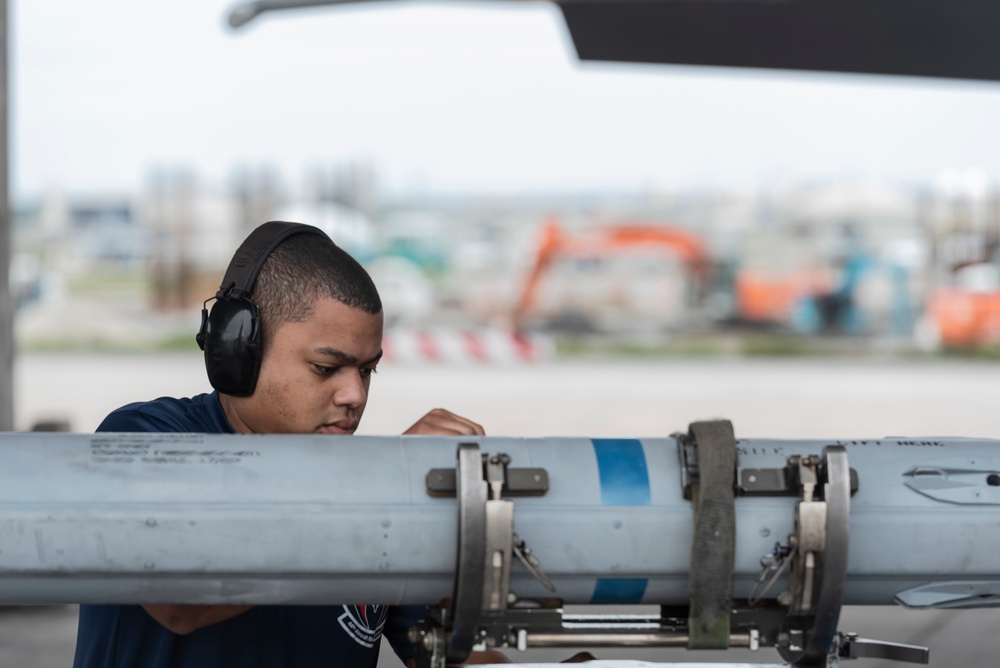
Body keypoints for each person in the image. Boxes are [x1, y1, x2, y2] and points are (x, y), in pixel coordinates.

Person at [72, 221, 505, 668]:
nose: (355, 395)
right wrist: (385, 482)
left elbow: (449, 654)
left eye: (366, 371)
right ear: (238, 349)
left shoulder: (366, 487)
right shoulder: (143, 439)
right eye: (325, 367)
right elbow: (180, 600)